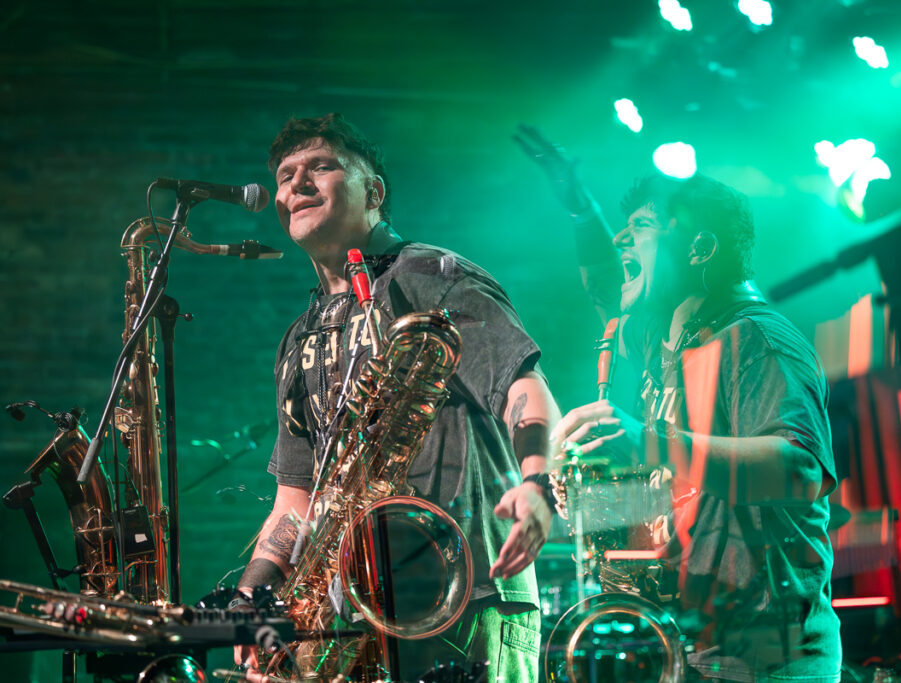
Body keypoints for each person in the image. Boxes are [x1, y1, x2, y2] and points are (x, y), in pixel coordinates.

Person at [230, 114, 559, 683]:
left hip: (464, 594)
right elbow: (295, 497)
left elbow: (524, 386)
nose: (297, 184)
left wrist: (538, 484)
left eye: (321, 167)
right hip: (354, 612)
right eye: (285, 175)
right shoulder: (297, 338)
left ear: (374, 192)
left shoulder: (433, 276)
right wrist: (252, 600)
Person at [518, 126, 842, 682]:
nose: (621, 239)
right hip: (689, 650)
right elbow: (607, 286)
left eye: (642, 226)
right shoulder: (662, 339)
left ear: (699, 248)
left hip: (765, 664)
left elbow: (801, 471)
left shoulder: (757, 339)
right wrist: (581, 211)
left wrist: (648, 441)